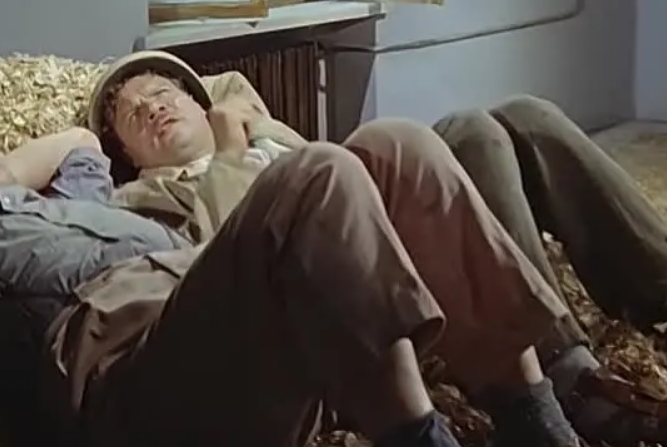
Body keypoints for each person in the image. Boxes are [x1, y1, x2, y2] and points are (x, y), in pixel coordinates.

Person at [0, 95, 576, 445]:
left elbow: (78, 143)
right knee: (319, 172)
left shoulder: (75, 194)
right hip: (135, 379)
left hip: (220, 308)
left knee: (398, 144)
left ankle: (534, 416)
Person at [83, 49, 667, 446]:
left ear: (200, 101)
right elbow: (230, 282)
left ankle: (595, 340)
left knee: (484, 125)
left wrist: (256, 128)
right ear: (127, 155)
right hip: (354, 286)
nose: (154, 107)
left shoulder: (269, 136)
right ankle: (562, 373)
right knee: (421, 144)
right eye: (134, 115)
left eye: (164, 93)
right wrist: (230, 156)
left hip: (402, 224)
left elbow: (351, 166)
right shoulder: (140, 201)